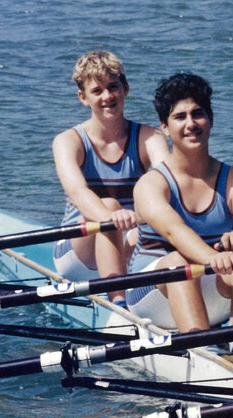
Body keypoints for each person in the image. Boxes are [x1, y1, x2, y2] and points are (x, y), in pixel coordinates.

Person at [127, 72, 233, 332]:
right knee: (180, 262)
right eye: (179, 117)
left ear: (210, 119)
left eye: (197, 114)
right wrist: (213, 257)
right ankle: (201, 347)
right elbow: (175, 232)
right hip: (153, 295)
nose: (191, 123)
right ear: (165, 127)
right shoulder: (151, 185)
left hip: (211, 286)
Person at [52, 51, 170, 306]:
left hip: (128, 242)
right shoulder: (68, 141)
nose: (107, 97)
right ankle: (119, 304)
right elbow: (79, 194)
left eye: (113, 87)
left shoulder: (150, 138)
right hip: (78, 256)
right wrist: (112, 219)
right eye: (97, 91)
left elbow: (169, 185)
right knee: (109, 206)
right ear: (83, 97)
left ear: (125, 89)